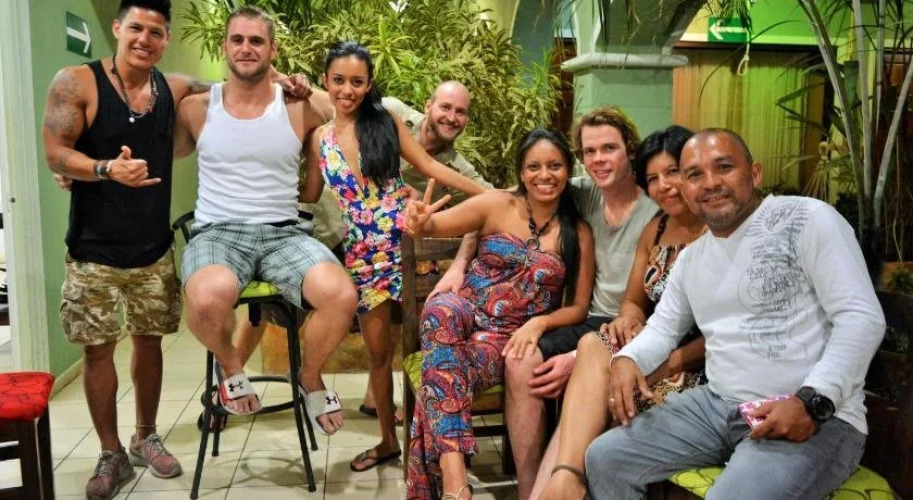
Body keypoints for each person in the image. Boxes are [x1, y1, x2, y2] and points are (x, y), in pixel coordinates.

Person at [585, 128, 886, 499]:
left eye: (724, 167)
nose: (711, 183)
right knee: (606, 457)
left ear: (754, 173)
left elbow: (861, 317)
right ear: (685, 189)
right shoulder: (693, 259)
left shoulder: (807, 219)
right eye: (694, 174)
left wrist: (813, 401)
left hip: (817, 415)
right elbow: (663, 329)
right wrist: (627, 359)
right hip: (718, 405)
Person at [39, 1, 261, 497]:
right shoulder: (77, 82)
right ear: (118, 28)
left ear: (166, 39)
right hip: (93, 249)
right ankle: (110, 452)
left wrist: (289, 82)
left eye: (156, 32)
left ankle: (145, 436)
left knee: (149, 343)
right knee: (98, 351)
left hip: (153, 248)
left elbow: (233, 84)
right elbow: (56, 152)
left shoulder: (174, 87)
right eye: (136, 28)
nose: (144, 39)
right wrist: (103, 169)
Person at [299, 41, 488, 472]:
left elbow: (432, 167)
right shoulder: (318, 140)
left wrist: (492, 196)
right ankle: (388, 442)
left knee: (431, 348)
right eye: (339, 81)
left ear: (369, 85)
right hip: (362, 257)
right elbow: (308, 194)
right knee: (379, 357)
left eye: (357, 81)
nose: (347, 90)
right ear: (327, 81)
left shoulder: (384, 122)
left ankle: (441, 444)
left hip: (407, 245)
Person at [174, 7, 357, 437]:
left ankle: (309, 375)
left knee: (341, 296)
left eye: (257, 41)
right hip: (218, 232)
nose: (246, 48)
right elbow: (158, 150)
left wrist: (291, 80)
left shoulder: (297, 104)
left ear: (273, 50)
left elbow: (347, 112)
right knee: (206, 299)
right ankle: (231, 369)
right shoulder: (197, 108)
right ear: (224, 46)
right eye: (237, 40)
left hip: (284, 233)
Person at [402, 128, 595, 500]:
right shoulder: (496, 205)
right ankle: (456, 483)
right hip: (464, 311)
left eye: (554, 166)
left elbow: (578, 307)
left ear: (568, 170)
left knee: (439, 379)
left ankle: (455, 487)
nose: (544, 175)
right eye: (534, 166)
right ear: (521, 171)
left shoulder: (578, 233)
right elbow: (434, 226)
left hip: (506, 339)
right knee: (439, 308)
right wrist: (420, 221)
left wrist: (540, 322)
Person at [474, 107, 655, 497]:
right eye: (589, 151)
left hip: (634, 326)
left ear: (630, 150)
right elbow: (508, 201)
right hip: (588, 318)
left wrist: (575, 359)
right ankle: (528, 489)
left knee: (571, 368)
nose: (599, 159)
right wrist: (459, 262)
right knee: (521, 359)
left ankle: (556, 487)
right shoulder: (583, 190)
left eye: (609, 148)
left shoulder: (655, 208)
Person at [535, 125, 708, 499]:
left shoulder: (718, 231)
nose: (664, 186)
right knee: (593, 345)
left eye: (673, 172)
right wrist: (629, 318)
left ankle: (564, 486)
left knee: (612, 390)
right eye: (653, 179)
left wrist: (664, 364)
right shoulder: (657, 228)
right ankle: (566, 478)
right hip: (654, 346)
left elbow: (722, 334)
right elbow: (633, 300)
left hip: (699, 365)